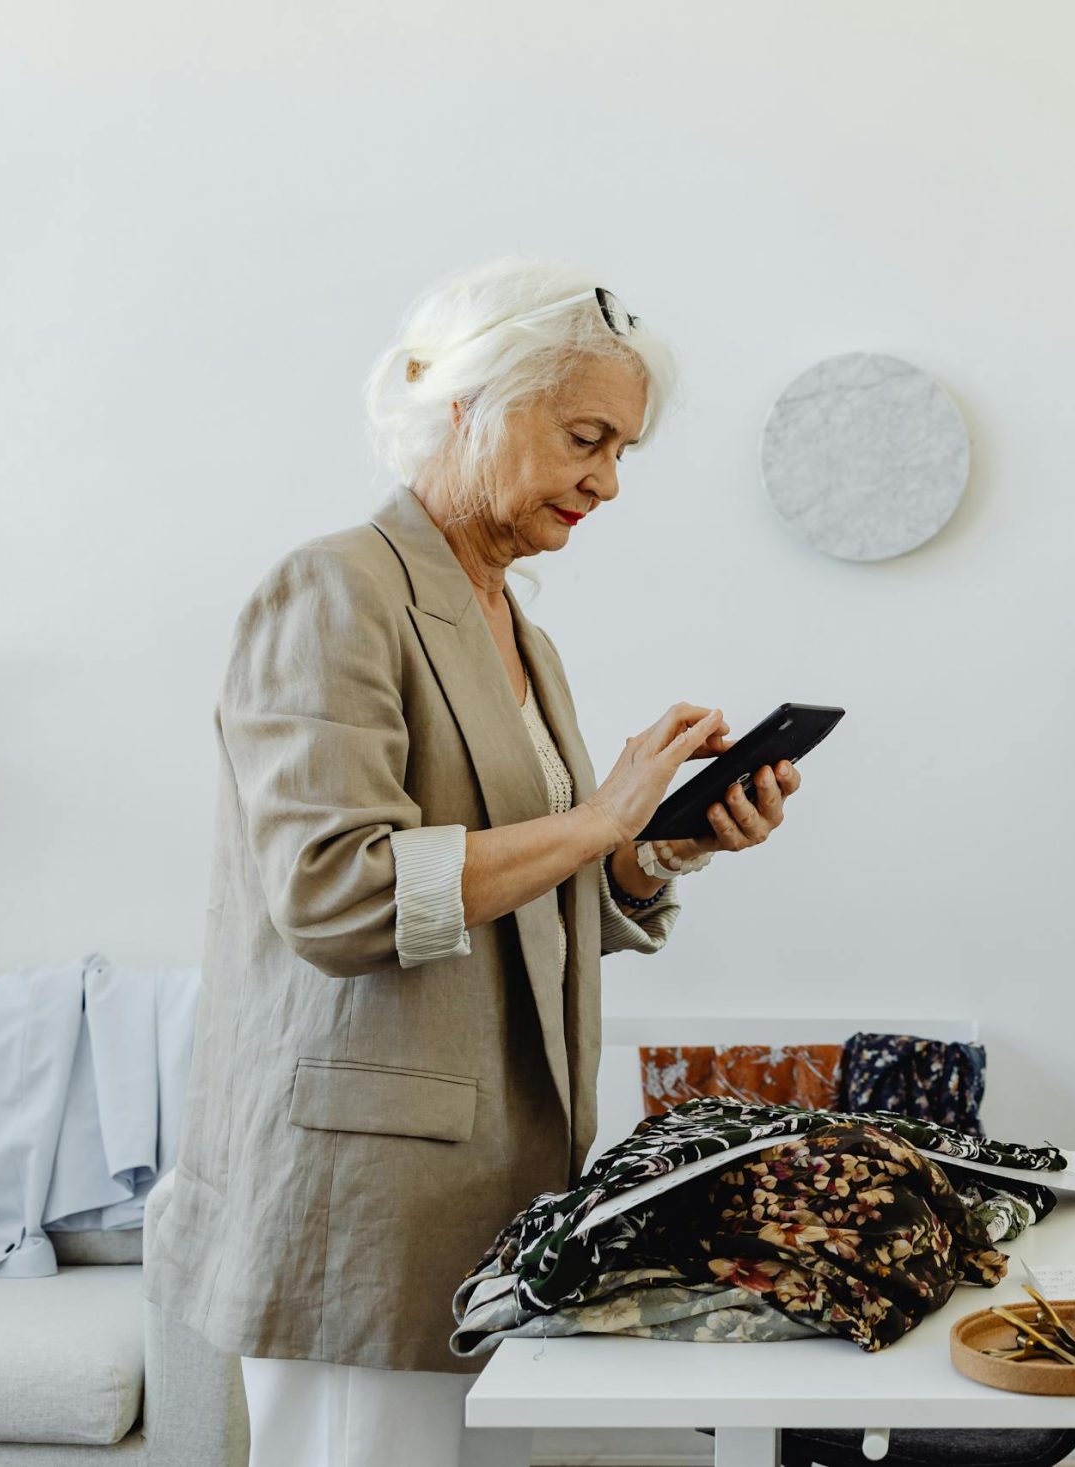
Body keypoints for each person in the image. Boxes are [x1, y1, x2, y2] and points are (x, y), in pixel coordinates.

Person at [146, 260, 807, 1467]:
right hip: (362, 1199)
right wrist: (603, 818)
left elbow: (524, 895)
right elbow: (339, 895)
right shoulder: (335, 590)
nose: (606, 481)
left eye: (623, 453)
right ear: (468, 406)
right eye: (586, 438)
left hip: (493, 1182)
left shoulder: (521, 629)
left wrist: (651, 853)